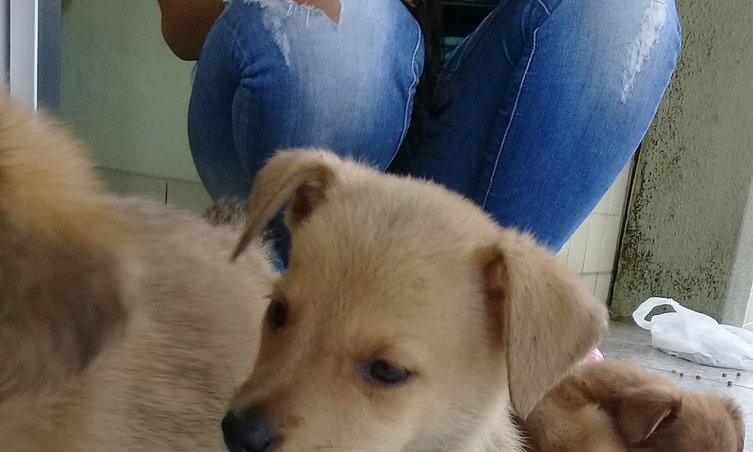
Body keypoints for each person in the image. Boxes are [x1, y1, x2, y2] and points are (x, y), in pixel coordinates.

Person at [158, 0, 680, 261]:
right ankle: (299, 307)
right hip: (304, 138)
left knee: (630, 11)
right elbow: (182, 25)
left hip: (455, 147)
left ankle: (482, 321)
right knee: (328, 22)